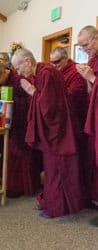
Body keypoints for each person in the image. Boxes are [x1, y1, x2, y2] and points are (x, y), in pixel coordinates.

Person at [12, 48, 84, 218]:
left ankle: (58, 207)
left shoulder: (46, 73)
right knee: (52, 169)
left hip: (58, 131)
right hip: (56, 129)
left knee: (57, 169)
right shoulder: (42, 72)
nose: (18, 72)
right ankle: (54, 202)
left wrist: (31, 91)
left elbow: (49, 107)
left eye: (18, 67)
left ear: (28, 61)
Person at [0, 61, 41, 197]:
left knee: (18, 154)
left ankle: (20, 187)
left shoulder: (19, 78)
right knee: (7, 152)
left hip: (21, 121)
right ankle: (7, 183)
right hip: (7, 121)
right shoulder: (2, 82)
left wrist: (11, 99)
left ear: (4, 72)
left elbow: (31, 99)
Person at [50, 47, 89, 203]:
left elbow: (72, 97)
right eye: (51, 62)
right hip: (61, 122)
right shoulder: (56, 72)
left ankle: (75, 197)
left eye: (57, 62)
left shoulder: (76, 72)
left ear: (66, 58)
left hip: (75, 123)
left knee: (74, 162)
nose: (54, 65)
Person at [76, 25, 98, 205]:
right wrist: (87, 79)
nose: (84, 49)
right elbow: (91, 93)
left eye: (85, 44)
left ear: (96, 37)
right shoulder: (92, 61)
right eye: (81, 47)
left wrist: (92, 78)